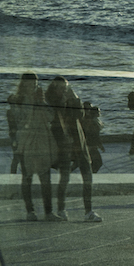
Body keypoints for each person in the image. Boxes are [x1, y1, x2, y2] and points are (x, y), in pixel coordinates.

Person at [46, 77, 101, 223]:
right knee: (64, 177)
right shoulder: (53, 103)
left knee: (87, 176)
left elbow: (80, 114)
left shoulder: (71, 100)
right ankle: (61, 209)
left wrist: (74, 97)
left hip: (78, 142)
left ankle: (88, 211)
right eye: (61, 88)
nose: (64, 90)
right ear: (54, 88)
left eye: (66, 88)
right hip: (64, 144)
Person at [11, 73, 58, 221]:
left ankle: (49, 212)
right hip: (26, 141)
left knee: (46, 178)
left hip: (43, 140)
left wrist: (42, 103)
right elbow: (18, 119)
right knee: (27, 177)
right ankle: (30, 211)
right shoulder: (18, 100)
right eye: (30, 84)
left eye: (35, 84)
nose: (33, 87)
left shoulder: (41, 99)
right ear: (23, 85)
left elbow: (51, 117)